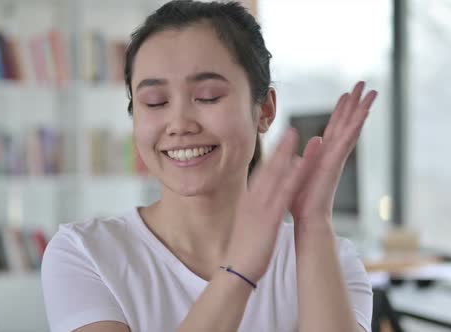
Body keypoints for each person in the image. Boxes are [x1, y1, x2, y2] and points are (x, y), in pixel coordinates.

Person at [41, 1, 378, 331]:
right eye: (155, 102)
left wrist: (314, 225)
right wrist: (238, 272)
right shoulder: (85, 253)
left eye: (207, 97)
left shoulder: (333, 259)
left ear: (264, 110)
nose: (179, 123)